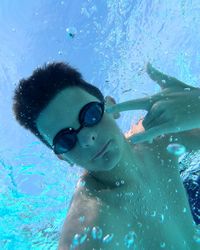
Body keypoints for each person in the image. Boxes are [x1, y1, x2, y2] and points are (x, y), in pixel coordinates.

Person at [12, 62, 200, 249]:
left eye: (90, 114)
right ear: (63, 157)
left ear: (110, 106)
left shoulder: (157, 137)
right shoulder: (93, 223)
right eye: (66, 140)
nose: (87, 138)